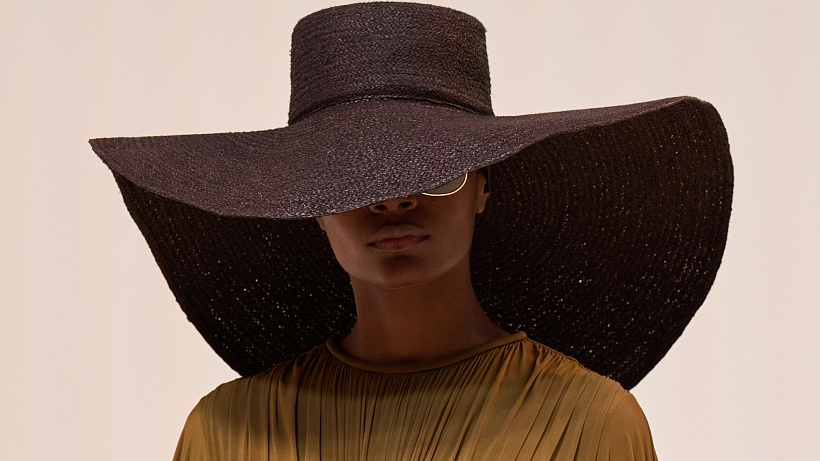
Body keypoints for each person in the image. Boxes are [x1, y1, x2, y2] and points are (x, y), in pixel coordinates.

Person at [89, 2, 733, 460]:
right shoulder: (230, 431)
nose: (395, 201)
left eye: (435, 171)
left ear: (483, 185)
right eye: (352, 178)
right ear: (309, 205)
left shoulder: (588, 422)